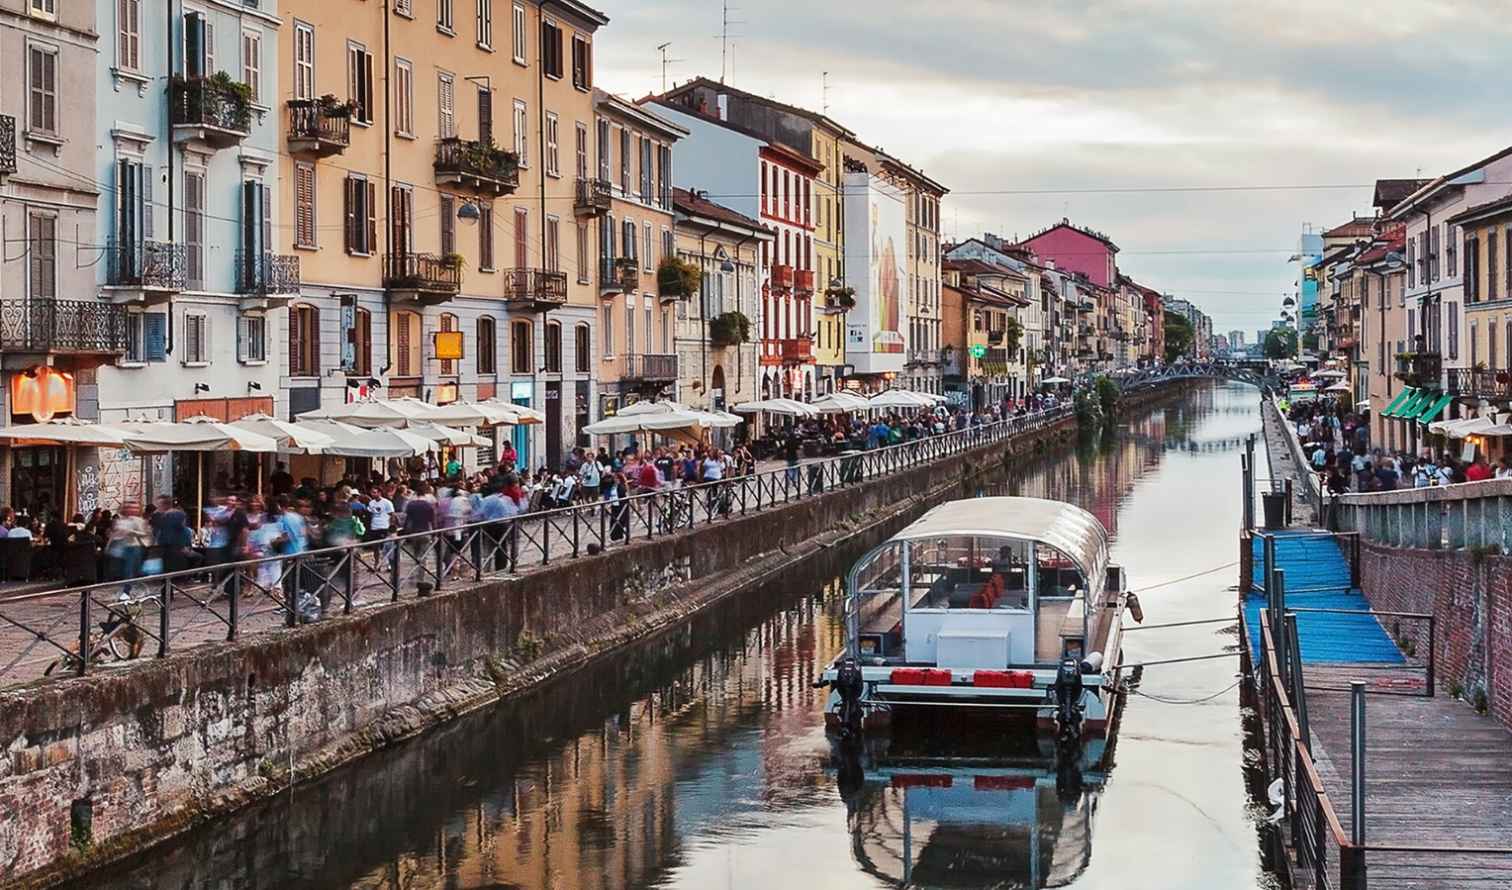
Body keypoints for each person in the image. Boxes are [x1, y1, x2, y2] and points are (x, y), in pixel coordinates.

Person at [106, 501, 151, 594]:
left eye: (134, 508)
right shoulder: (120, 521)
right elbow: (115, 534)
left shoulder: (139, 521)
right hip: (121, 548)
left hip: (134, 547)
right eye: (129, 508)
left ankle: (127, 591)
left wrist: (132, 532)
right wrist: (109, 544)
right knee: (121, 570)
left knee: (129, 570)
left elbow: (145, 534)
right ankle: (127, 588)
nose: (132, 510)